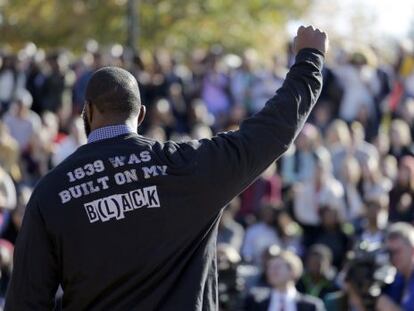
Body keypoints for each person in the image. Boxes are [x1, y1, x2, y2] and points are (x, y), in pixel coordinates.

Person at [5, 25, 328, 310]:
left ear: (86, 113)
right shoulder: (188, 166)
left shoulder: (52, 192)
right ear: (142, 115)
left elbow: (27, 301)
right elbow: (270, 133)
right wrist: (309, 60)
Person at [244, 249, 325, 311]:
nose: (272, 271)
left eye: (277, 267)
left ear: (293, 271)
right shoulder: (254, 300)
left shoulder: (311, 306)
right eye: (270, 267)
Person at [376, 222, 414, 311]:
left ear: (412, 250)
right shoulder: (397, 278)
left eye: (397, 251)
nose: (393, 257)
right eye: (390, 252)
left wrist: (390, 308)